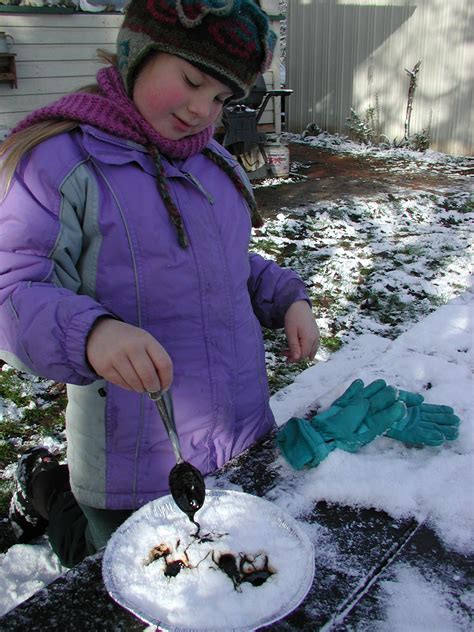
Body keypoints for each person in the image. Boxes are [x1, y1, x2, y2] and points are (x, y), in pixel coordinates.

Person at [0, 0, 319, 568]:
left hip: (240, 434)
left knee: (220, 579)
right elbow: (12, 291)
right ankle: (46, 494)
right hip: (132, 461)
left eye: (221, 97)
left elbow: (225, 265)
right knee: (117, 577)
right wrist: (92, 335)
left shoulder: (213, 165)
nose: (203, 110)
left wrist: (287, 297)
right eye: (192, 80)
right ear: (138, 53)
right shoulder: (59, 162)